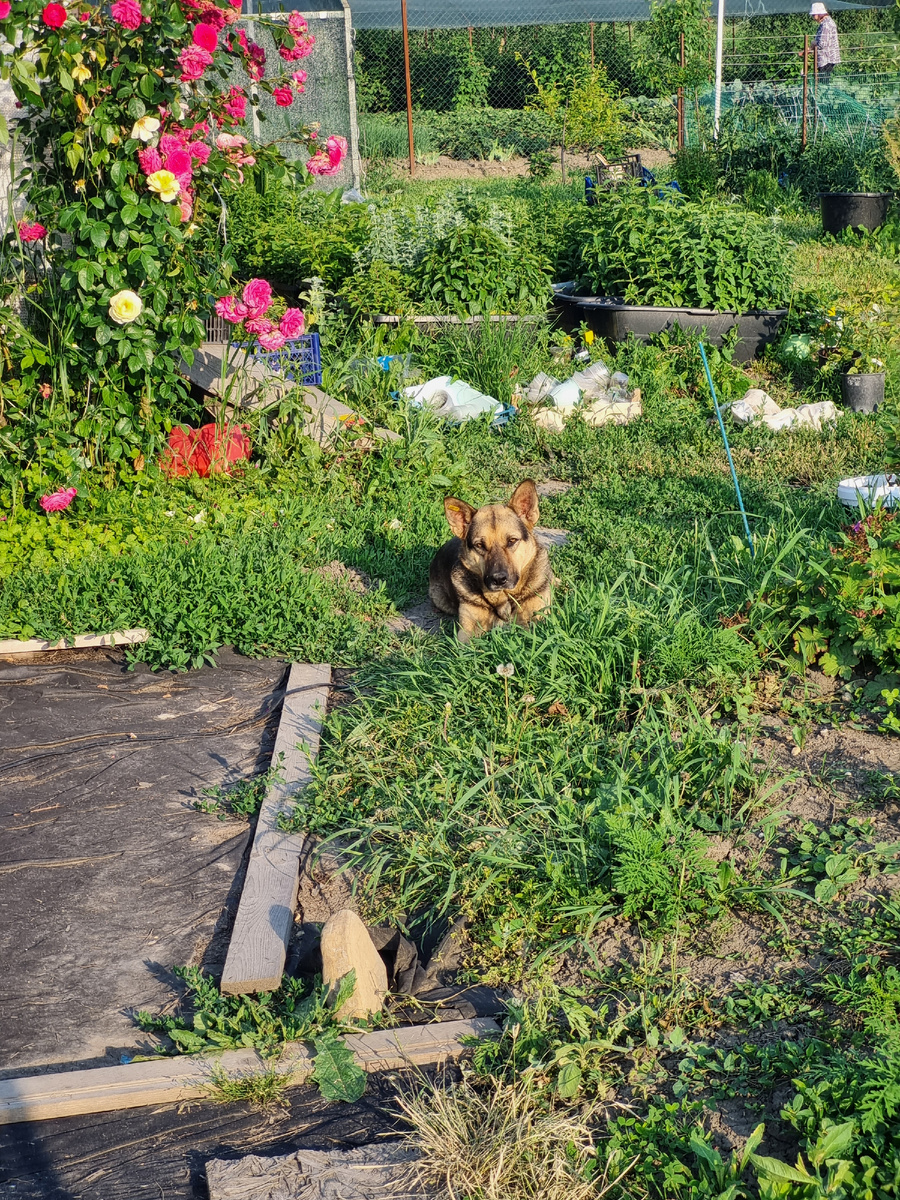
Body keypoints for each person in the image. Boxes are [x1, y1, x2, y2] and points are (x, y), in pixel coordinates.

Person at [810, 2, 840, 75]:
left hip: (826, 59)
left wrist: (813, 44)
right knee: (823, 80)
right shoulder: (825, 23)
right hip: (826, 58)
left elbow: (822, 44)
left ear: (819, 14)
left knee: (823, 81)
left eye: (814, 15)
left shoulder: (826, 24)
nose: (813, 17)